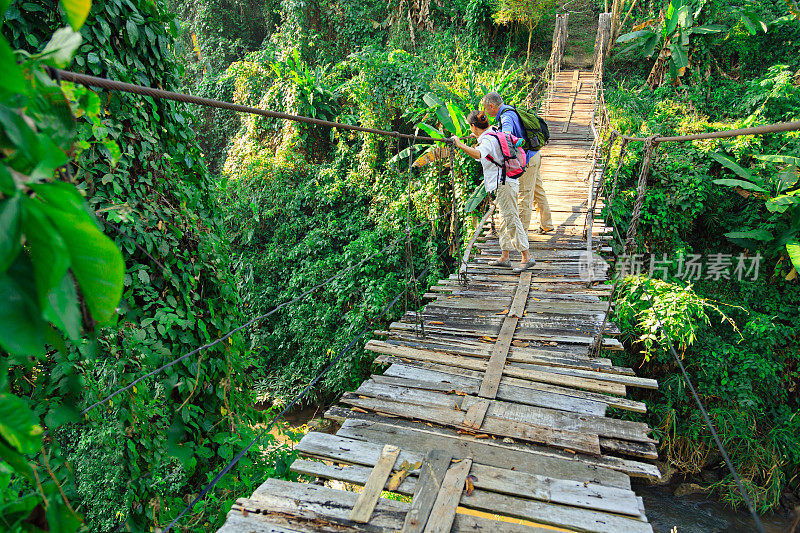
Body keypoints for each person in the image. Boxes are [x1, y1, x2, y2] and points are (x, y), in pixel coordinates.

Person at [451, 111, 535, 272]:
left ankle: (527, 257)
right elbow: (484, 154)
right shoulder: (494, 132)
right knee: (505, 218)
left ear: (473, 126)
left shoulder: (488, 139)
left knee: (511, 219)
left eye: (471, 127)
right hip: (507, 182)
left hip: (504, 184)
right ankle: (505, 256)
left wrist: (459, 144)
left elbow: (479, 153)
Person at [482, 91, 553, 234]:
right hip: (533, 156)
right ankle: (547, 224)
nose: (485, 111)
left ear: (491, 106)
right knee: (537, 191)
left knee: (524, 196)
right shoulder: (509, 110)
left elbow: (505, 137)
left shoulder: (506, 117)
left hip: (526, 160)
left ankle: (522, 235)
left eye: (485, 108)